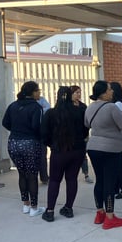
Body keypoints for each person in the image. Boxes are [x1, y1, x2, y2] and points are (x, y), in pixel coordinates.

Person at [85, 80, 122, 230]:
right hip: (111, 148)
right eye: (110, 90)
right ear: (103, 93)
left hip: (93, 147)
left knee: (100, 181)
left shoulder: (90, 107)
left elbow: (87, 124)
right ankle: (110, 218)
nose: (112, 92)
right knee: (109, 182)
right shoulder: (111, 107)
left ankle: (100, 213)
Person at [40, 86, 88, 222]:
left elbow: (44, 134)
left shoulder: (51, 113)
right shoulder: (80, 111)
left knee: (54, 180)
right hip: (77, 149)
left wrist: (52, 144)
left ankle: (50, 211)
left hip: (59, 151)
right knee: (72, 179)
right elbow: (85, 131)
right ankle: (68, 208)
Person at [2, 81, 45, 217]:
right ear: (32, 92)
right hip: (30, 143)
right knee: (32, 175)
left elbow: (5, 123)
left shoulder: (13, 105)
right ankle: (34, 207)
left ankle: (25, 204)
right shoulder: (36, 107)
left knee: (22, 173)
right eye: (38, 90)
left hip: (14, 142)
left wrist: (17, 130)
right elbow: (36, 127)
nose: (39, 93)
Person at [110, 81, 122, 199]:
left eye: (110, 89)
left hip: (118, 135)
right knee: (117, 161)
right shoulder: (115, 103)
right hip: (116, 135)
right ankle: (118, 187)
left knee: (120, 162)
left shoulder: (118, 104)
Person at [71, 85, 93, 184]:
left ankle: (86, 174)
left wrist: (86, 133)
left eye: (80, 92)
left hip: (82, 135)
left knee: (83, 155)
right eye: (77, 92)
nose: (79, 94)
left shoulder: (83, 106)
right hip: (70, 136)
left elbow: (87, 121)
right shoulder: (67, 106)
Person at [37, 95, 51, 184]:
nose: (39, 93)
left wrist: (40, 110)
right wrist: (41, 110)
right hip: (30, 133)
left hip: (40, 130)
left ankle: (44, 177)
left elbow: (48, 108)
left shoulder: (41, 99)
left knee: (42, 155)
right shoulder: (28, 103)